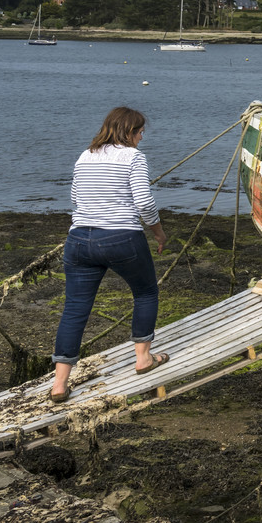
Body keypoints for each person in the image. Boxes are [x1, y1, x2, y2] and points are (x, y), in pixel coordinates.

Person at [49, 106, 168, 403]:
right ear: (128, 132)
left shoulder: (85, 155)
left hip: (79, 239)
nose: (141, 138)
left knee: (75, 308)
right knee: (145, 292)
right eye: (140, 132)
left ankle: (59, 384)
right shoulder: (133, 157)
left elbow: (75, 198)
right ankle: (143, 358)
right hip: (121, 238)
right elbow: (143, 201)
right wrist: (158, 232)